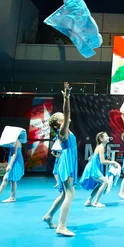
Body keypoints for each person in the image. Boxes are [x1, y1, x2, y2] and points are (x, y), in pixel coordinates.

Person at [42, 82, 78, 237]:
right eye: (62, 117)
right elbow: (68, 112)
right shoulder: (63, 132)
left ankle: (49, 216)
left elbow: (67, 114)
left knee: (64, 194)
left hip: (67, 161)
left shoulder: (66, 132)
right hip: (67, 164)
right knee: (70, 194)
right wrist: (67, 98)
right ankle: (61, 226)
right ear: (59, 123)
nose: (66, 117)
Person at [80, 131, 121, 208]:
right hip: (93, 168)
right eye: (106, 136)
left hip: (93, 167)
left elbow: (90, 158)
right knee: (105, 182)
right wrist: (113, 162)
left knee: (100, 184)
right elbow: (102, 161)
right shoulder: (101, 147)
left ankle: (89, 201)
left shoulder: (101, 147)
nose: (108, 137)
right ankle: (96, 202)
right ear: (101, 139)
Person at [0, 137, 24, 203]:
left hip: (15, 161)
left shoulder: (16, 141)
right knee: (8, 178)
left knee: (11, 179)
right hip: (14, 160)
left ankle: (10, 197)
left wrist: (10, 164)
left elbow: (14, 154)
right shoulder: (15, 141)